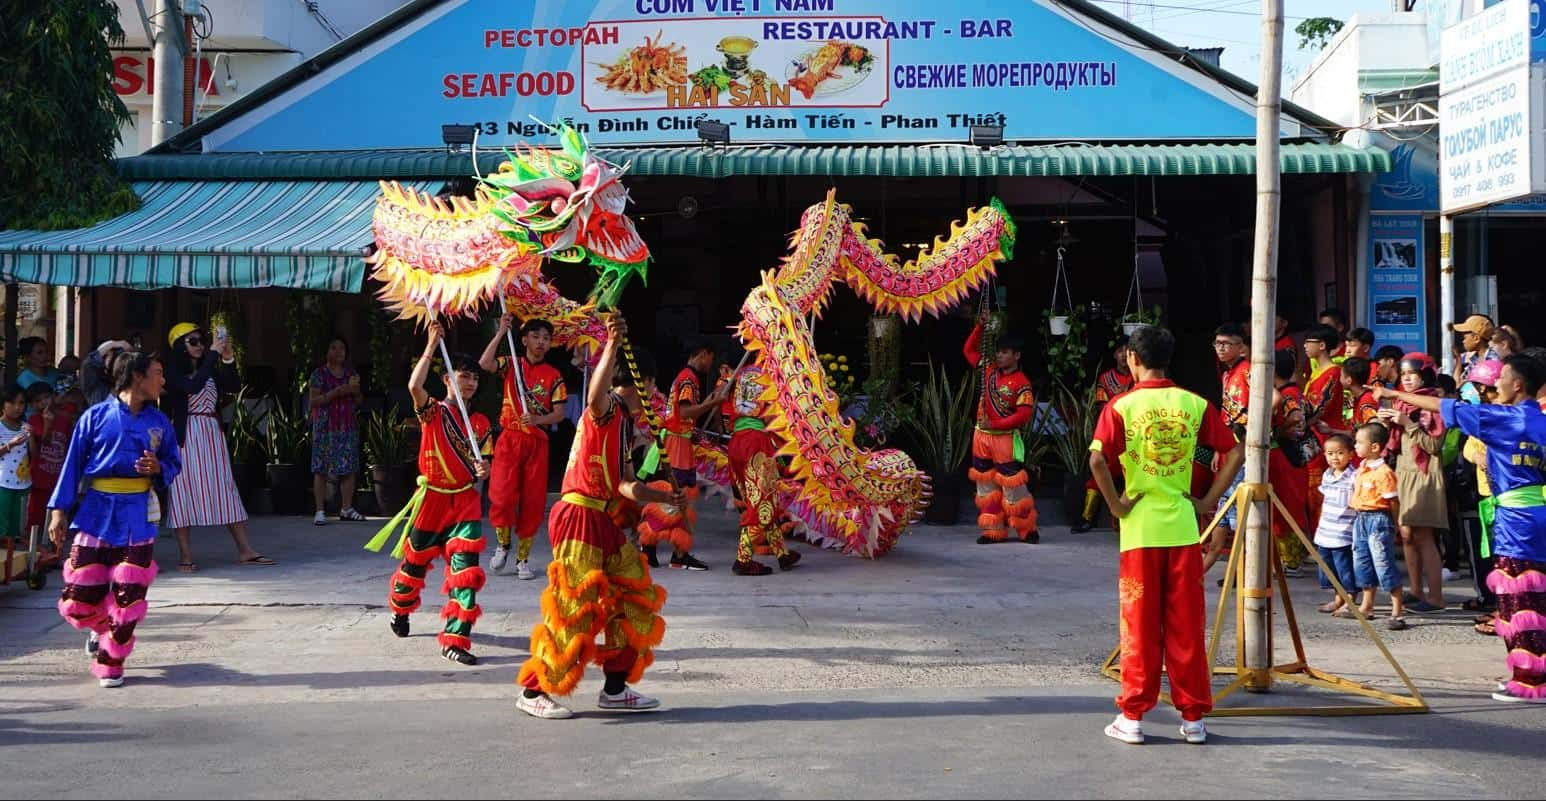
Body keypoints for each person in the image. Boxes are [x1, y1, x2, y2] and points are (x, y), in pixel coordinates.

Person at [516, 314, 676, 720]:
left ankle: (616, 688)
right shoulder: (606, 409)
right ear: (647, 382)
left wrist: (659, 497)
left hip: (604, 520)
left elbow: (624, 486)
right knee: (575, 606)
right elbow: (593, 395)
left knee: (633, 593)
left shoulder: (624, 424)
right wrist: (611, 344)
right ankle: (533, 690)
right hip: (578, 518)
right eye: (654, 385)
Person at [1089, 325, 1242, 746]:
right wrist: (1207, 498)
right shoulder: (1194, 404)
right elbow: (1235, 452)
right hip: (1182, 525)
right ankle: (1193, 719)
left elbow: (1098, 461)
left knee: (1138, 625)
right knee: (1186, 625)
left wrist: (1118, 507)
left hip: (1139, 530)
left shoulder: (1121, 406)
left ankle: (1133, 716)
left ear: (1132, 360)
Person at [1372, 355, 1546, 702]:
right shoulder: (1539, 420)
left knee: (1520, 599)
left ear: (1518, 385)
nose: (1495, 386)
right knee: (1532, 597)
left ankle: (1531, 680)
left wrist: (1395, 395)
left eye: (1501, 379)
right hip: (1533, 514)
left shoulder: (1503, 418)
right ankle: (1526, 670)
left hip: (1517, 522)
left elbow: (1442, 405)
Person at [50, 352, 182, 687]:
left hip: (139, 513)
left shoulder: (159, 422)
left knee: (129, 596)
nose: (163, 381)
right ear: (137, 376)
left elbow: (173, 462)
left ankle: (111, 661)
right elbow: (72, 466)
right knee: (77, 599)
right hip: (95, 512)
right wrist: (58, 511)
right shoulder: (94, 417)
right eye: (157, 373)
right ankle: (102, 629)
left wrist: (158, 468)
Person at [379, 323, 491, 666]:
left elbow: (483, 464)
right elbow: (414, 385)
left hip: (464, 502)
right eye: (463, 375)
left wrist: (482, 473)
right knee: (413, 567)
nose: (470, 382)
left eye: (474, 377)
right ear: (447, 379)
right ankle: (400, 609)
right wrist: (431, 345)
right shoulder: (434, 412)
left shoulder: (483, 424)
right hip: (432, 501)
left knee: (466, 573)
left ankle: (456, 640)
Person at [162, 323, 270, 571]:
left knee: (224, 486)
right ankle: (186, 556)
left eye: (201, 340)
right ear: (180, 346)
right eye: (193, 341)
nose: (200, 345)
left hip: (211, 433)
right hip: (186, 435)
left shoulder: (207, 368)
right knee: (182, 491)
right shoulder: (172, 372)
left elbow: (233, 384)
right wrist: (212, 354)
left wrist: (228, 357)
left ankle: (245, 549)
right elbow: (192, 387)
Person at [479, 316, 567, 580]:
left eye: (546, 338)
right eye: (536, 337)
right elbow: (484, 363)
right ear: (525, 339)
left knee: (533, 501)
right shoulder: (511, 365)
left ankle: (523, 558)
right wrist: (500, 333)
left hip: (537, 442)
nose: (541, 342)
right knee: (502, 497)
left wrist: (539, 419)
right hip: (510, 438)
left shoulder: (554, 375)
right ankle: (503, 545)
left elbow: (560, 413)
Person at [1378, 353, 1448, 612]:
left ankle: (1436, 597)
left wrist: (1407, 424)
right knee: (1406, 534)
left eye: (1412, 374)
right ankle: (1416, 591)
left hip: (1424, 472)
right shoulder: (1402, 404)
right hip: (1403, 471)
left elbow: (1433, 445)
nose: (1406, 379)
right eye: (1403, 374)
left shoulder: (1433, 404)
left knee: (1424, 535)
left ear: (1425, 376)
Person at [964, 312, 1038, 544]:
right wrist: (979, 327)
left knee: (1013, 487)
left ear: (1016, 355)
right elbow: (968, 351)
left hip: (1004, 438)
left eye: (1005, 352)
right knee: (985, 486)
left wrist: (994, 424)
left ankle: (1027, 530)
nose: (999, 355)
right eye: (998, 351)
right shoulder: (988, 369)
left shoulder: (1022, 383)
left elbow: (1023, 415)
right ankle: (993, 530)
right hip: (981, 437)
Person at [724, 356, 801, 575]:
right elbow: (773, 419)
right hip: (756, 443)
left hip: (737, 440)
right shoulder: (771, 376)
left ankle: (782, 555)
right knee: (762, 505)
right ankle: (743, 560)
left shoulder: (744, 373)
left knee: (760, 501)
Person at [649, 342, 723, 570]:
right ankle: (648, 545)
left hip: (680, 441)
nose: (710, 364)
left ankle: (678, 553)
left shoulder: (685, 377)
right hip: (676, 445)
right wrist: (713, 403)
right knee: (674, 499)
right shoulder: (689, 378)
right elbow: (684, 411)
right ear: (702, 354)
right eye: (710, 358)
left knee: (682, 501)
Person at [1339, 422, 1409, 630]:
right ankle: (1366, 606)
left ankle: (1397, 610)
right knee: (1362, 561)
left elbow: (1393, 501)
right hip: (1361, 518)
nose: (1356, 446)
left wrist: (1396, 523)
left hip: (1379, 518)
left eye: (1360, 442)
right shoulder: (1362, 468)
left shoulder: (1384, 472)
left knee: (1383, 563)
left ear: (1375, 447)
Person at [1074, 336, 1135, 533]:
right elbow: (1101, 407)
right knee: (1097, 477)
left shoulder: (1140, 377)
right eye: (1120, 351)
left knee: (1134, 479)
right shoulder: (1105, 378)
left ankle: (1127, 522)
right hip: (1112, 437)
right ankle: (1087, 518)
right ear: (1114, 355)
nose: (1123, 355)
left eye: (1128, 351)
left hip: (1134, 437)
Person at [309, 336, 366, 526]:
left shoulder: (351, 373)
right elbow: (313, 402)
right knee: (321, 468)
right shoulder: (319, 374)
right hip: (325, 427)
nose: (338, 352)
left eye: (342, 348)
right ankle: (319, 511)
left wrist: (355, 391)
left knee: (348, 468)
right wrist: (337, 392)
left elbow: (358, 402)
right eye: (333, 348)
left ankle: (347, 508)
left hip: (346, 426)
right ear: (326, 352)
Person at [1269, 350, 1311, 576]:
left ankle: (1292, 561)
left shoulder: (1285, 394)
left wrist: (1277, 431)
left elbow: (1295, 417)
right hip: (1292, 454)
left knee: (1286, 507)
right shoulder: (1295, 391)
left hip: (1286, 454)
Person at [1303, 325, 1346, 527]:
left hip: (1324, 436)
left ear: (1322, 345)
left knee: (1318, 489)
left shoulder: (1332, 373)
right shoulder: (1316, 372)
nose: (1304, 346)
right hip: (1313, 434)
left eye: (1308, 342)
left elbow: (1319, 408)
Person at [1313, 433, 1360, 614]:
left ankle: (1350, 600)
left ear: (1350, 454)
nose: (1335, 457)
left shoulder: (1354, 477)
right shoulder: (1327, 475)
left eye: (1340, 453)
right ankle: (1337, 599)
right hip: (1326, 531)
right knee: (1328, 568)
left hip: (1344, 532)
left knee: (1345, 568)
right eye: (1330, 453)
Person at [25, 383, 73, 541]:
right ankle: (32, 551)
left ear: (53, 396)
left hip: (58, 478)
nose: (44, 402)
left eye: (46, 397)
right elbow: (43, 442)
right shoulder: (33, 420)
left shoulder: (65, 420)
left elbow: (69, 447)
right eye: (38, 400)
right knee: (35, 518)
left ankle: (54, 552)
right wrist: (48, 424)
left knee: (57, 519)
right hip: (39, 477)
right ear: (32, 405)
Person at [0, 386, 32, 548]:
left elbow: (35, 454)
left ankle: (13, 559)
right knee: (1, 519)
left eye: (21, 403)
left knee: (16, 523)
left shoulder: (25, 427)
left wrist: (32, 436)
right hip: (2, 483)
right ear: (3, 405)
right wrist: (10, 445)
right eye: (12, 403)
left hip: (23, 482)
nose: (17, 407)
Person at [80, 339, 131, 408]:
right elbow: (89, 363)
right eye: (110, 357)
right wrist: (113, 344)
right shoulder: (96, 387)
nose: (115, 362)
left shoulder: (133, 389)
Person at [1451, 314, 1500, 384]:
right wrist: (1458, 360)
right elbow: (1458, 385)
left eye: (1464, 338)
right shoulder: (1475, 359)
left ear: (1476, 339)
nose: (1463, 341)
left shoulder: (1492, 361)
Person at [1339, 357, 1380, 433]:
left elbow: (1374, 432)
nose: (1339, 379)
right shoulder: (1358, 398)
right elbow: (1354, 433)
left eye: (1341, 375)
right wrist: (1330, 430)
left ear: (1349, 380)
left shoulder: (1367, 401)